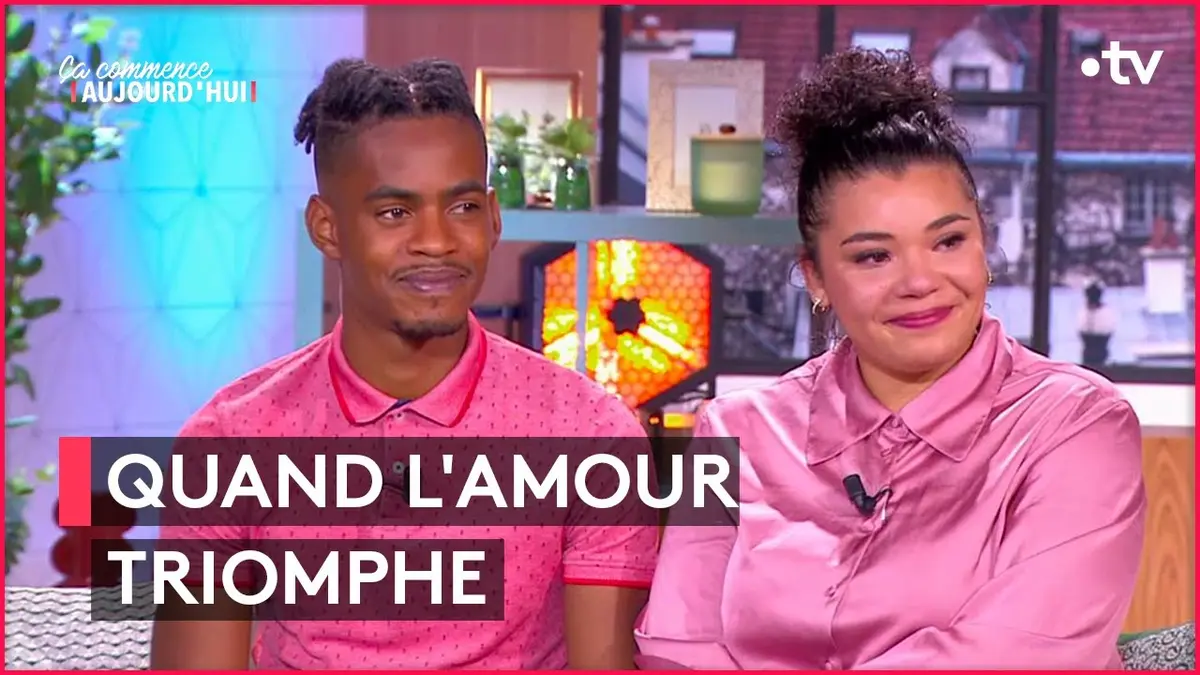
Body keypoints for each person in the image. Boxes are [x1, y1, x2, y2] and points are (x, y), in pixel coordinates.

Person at [634, 49, 1146, 670]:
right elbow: (677, 647)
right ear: (816, 277)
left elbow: (1019, 656)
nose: (920, 282)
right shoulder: (731, 431)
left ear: (983, 245)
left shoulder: (1078, 425)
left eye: (948, 241)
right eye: (874, 256)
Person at [150, 58, 656, 670]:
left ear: (494, 217)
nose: (437, 241)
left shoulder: (590, 436)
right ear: (327, 228)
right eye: (395, 213)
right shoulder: (231, 440)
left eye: (462, 207)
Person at [1078, 279, 1116, 367]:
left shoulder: (1106, 313)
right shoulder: (1083, 312)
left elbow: (1107, 332)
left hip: (1100, 352)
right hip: (1088, 353)